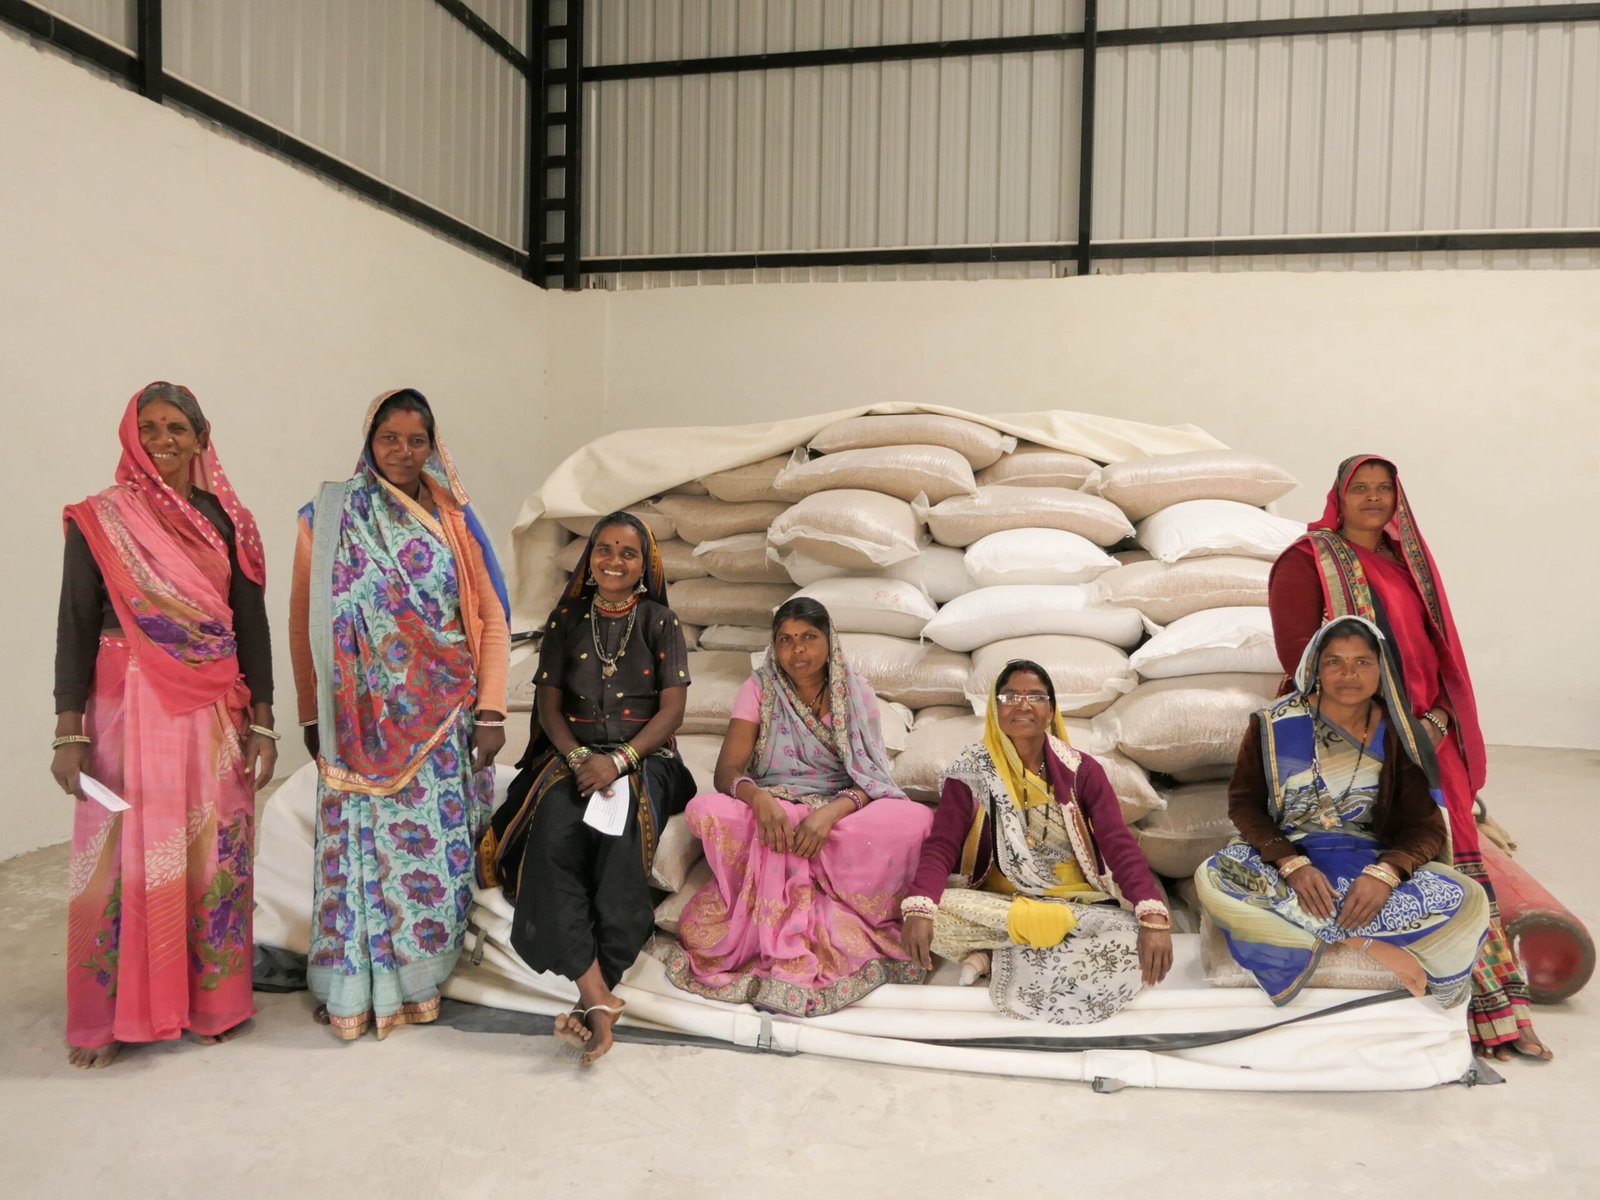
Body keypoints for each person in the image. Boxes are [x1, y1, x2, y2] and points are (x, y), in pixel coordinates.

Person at [1269, 455, 1550, 1060]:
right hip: (1357, 743)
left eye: (1384, 489)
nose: (1373, 498)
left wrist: (1438, 719)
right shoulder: (1306, 562)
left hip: (1429, 738)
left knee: (1464, 874)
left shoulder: (1407, 564)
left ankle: (1498, 1012)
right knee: (1402, 875)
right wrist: (1379, 731)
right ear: (1338, 497)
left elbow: (1438, 652)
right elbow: (1302, 663)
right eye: (1360, 488)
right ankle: (1444, 1018)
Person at [53, 382, 278, 1069]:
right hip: (123, 702)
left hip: (210, 710)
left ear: (202, 437)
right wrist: (69, 731)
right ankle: (110, 1016)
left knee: (211, 849)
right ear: (132, 436)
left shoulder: (229, 522)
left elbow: (251, 624)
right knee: (121, 854)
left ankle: (210, 1003)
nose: (162, 441)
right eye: (148, 427)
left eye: (177, 427)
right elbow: (75, 623)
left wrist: (264, 720)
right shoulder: (101, 519)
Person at [289, 389, 509, 1041]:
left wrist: (492, 711)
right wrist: (310, 713)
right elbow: (305, 623)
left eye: (417, 440)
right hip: (352, 724)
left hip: (442, 720)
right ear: (369, 441)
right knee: (358, 855)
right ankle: (351, 988)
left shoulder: (455, 521)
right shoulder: (329, 517)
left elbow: (492, 619)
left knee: (428, 863)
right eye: (390, 438)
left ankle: (417, 984)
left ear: (434, 446)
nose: (403, 451)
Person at [478, 512, 695, 1065]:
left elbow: (672, 712)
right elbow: (549, 707)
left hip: (645, 759)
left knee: (620, 843)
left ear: (645, 566)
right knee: (551, 835)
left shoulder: (661, 621)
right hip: (572, 756)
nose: (614, 561)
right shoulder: (566, 620)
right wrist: (579, 758)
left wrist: (618, 762)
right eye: (604, 549)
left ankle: (593, 999)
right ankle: (597, 994)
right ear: (589, 558)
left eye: (628, 553)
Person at [660, 598, 935, 1016]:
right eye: (786, 640)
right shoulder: (760, 688)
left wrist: (831, 812)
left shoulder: (855, 692)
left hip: (840, 810)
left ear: (829, 641)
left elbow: (872, 778)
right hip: (775, 806)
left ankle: (808, 876)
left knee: (917, 819)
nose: (798, 650)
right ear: (774, 646)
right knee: (706, 809)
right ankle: (802, 879)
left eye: (809, 637)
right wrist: (760, 799)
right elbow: (727, 771)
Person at [1196, 617, 1489, 1006]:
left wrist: (1385, 875)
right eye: (1334, 662)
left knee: (1470, 897)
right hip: (1289, 860)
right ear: (1315, 667)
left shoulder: (1399, 732)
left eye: (1362, 662)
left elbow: (1425, 826)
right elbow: (1244, 804)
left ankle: (1316, 926)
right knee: (1215, 874)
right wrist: (1291, 864)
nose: (1348, 674)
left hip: (1367, 864)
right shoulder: (1272, 724)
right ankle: (1366, 941)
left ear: (1381, 669)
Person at [900, 661, 1173, 1024]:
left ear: (1051, 709)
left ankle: (995, 956)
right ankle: (1029, 948)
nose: (1023, 705)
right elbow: (942, 845)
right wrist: (920, 909)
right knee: (937, 912)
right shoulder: (970, 772)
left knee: (1128, 933)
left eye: (1036, 697)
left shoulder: (1082, 771)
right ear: (995, 708)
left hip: (1075, 906)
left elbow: (1118, 843)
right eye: (1010, 696)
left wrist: (1152, 916)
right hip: (1001, 906)